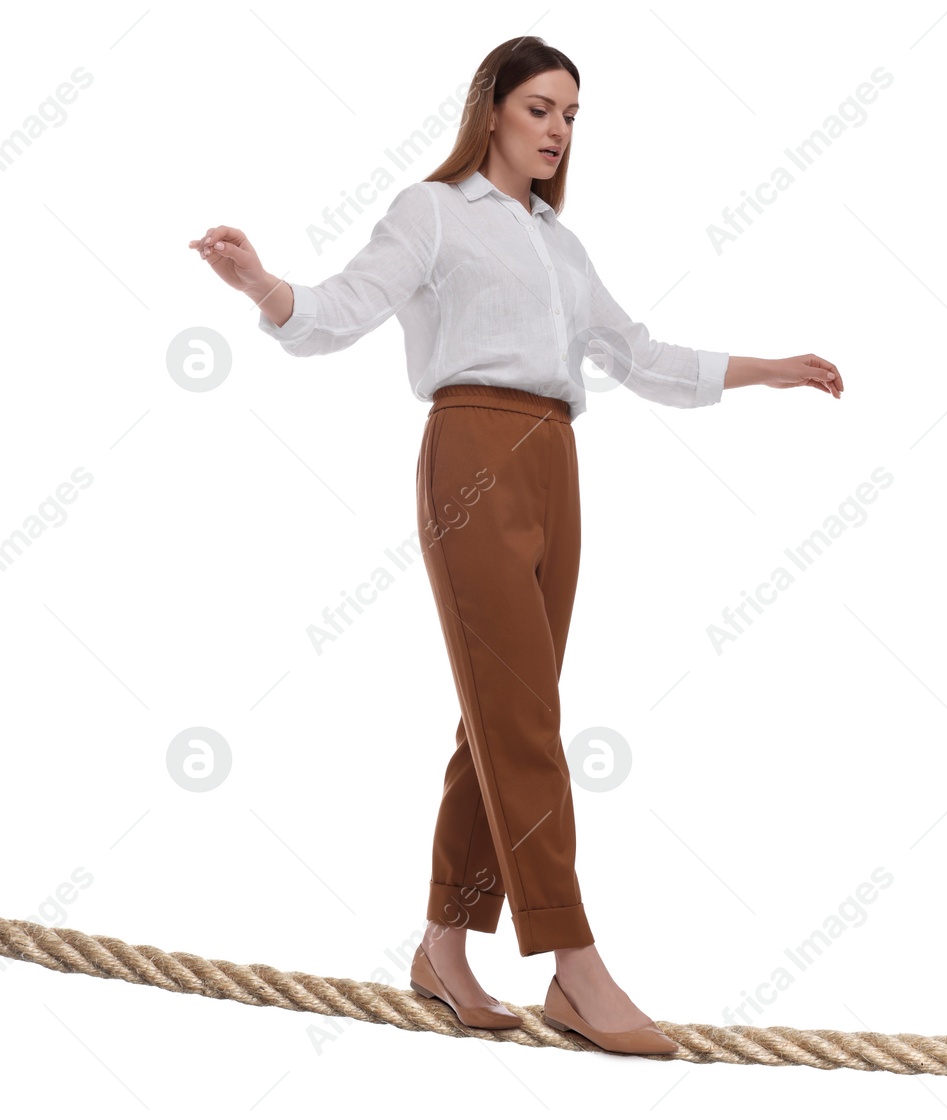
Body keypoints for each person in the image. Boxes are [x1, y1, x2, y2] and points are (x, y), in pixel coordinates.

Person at [188, 35, 841, 1056]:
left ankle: (444, 941)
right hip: (473, 454)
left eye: (572, 115)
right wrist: (263, 285)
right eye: (541, 108)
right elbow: (338, 314)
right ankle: (570, 961)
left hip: (555, 462)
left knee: (502, 713)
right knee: (524, 715)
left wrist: (771, 369)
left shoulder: (560, 245)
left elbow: (641, 355)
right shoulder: (433, 212)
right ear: (490, 107)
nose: (557, 131)